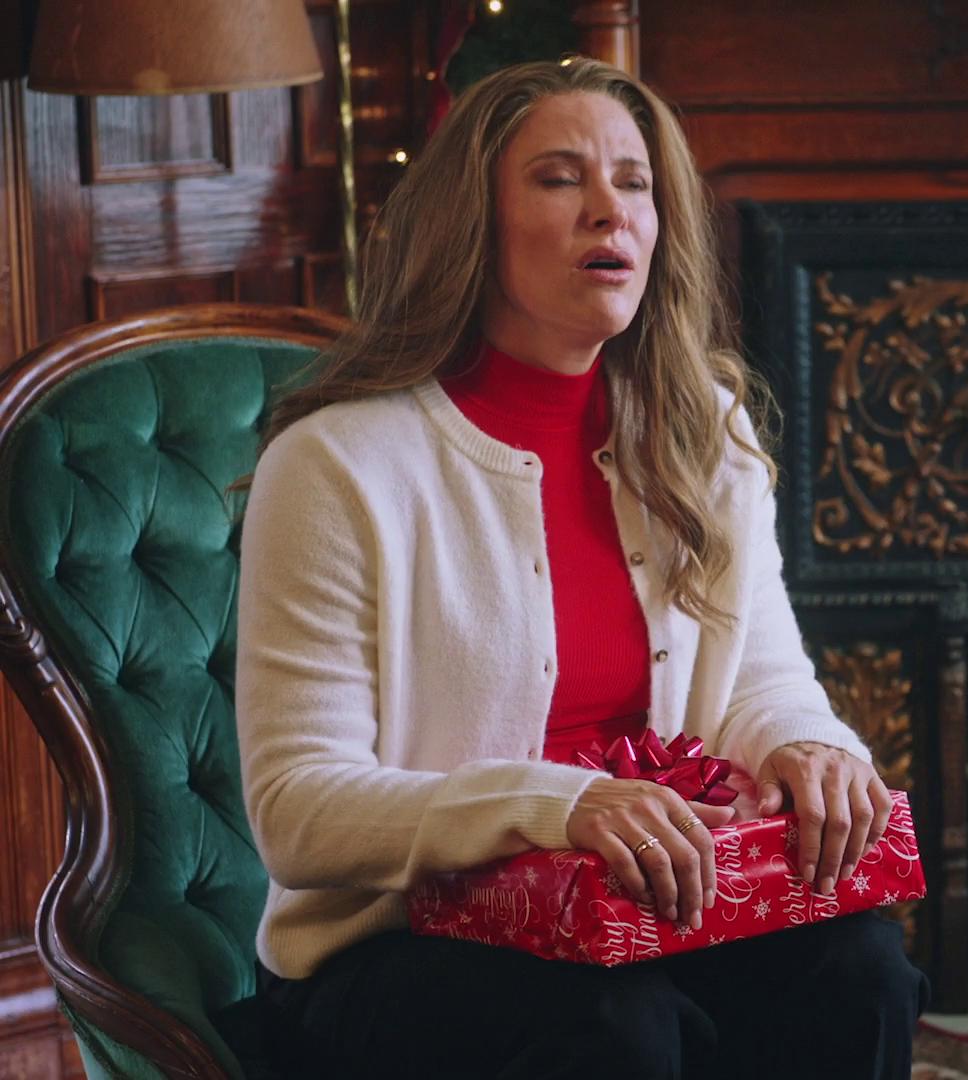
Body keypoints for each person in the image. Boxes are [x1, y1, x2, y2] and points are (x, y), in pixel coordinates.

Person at [230, 58, 928, 1079]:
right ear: (474, 223)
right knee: (613, 1024)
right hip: (398, 952)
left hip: (657, 916)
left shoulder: (705, 433)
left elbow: (762, 680)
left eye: (633, 183)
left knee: (860, 971)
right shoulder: (338, 465)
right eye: (560, 178)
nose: (610, 209)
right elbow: (300, 810)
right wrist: (557, 805)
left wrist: (811, 748)